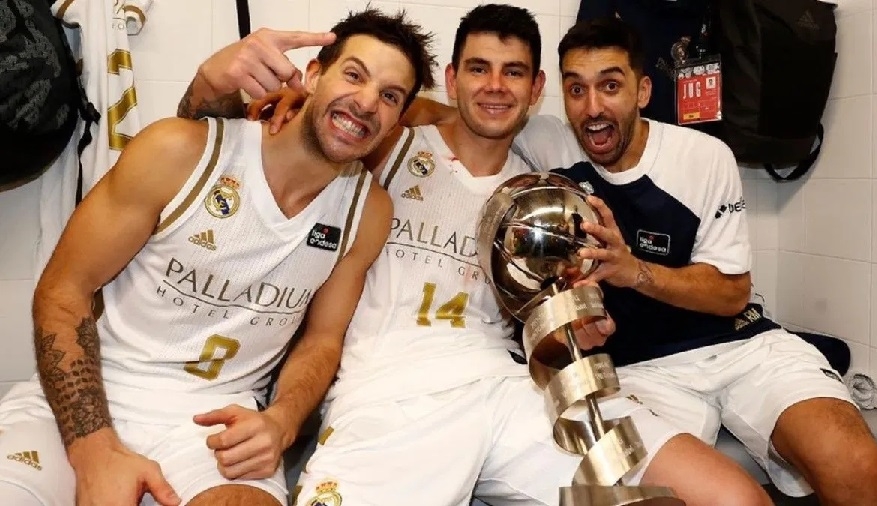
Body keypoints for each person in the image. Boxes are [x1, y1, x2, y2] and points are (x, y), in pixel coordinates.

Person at [190, 4, 775, 505]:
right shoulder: (383, 145)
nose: (495, 86)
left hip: (514, 395)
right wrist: (221, 87)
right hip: (389, 401)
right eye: (478, 69)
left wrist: (575, 330)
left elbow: (541, 326)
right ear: (451, 79)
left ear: (536, 89)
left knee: (731, 496)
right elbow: (229, 165)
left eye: (512, 72)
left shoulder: (544, 190)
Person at [0, 8, 436, 506]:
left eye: (390, 96)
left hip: (214, 423)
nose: (366, 102)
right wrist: (94, 451)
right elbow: (63, 290)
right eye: (354, 75)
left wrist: (282, 420)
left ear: (397, 121)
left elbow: (321, 339)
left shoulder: (368, 212)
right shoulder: (178, 149)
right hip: (89, 399)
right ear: (314, 75)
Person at [508, 17, 877, 506]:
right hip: (638, 370)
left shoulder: (704, 156)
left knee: (853, 460)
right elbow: (464, 120)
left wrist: (635, 272)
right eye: (576, 89)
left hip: (740, 347)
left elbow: (732, 294)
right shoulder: (549, 147)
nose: (593, 107)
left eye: (610, 85)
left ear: (643, 91)